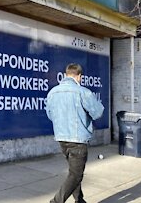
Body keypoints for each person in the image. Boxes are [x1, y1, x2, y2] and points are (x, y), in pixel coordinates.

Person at [45, 63, 104, 203]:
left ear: (66, 75)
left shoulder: (53, 92)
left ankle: (80, 200)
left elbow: (50, 114)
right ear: (79, 76)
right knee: (76, 175)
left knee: (74, 173)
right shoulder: (82, 92)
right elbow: (98, 112)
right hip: (77, 140)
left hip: (61, 139)